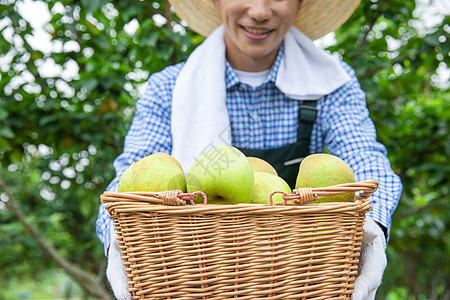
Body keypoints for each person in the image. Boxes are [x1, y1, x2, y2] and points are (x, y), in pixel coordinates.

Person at [96, 0, 403, 299]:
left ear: (299, 4)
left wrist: (371, 229)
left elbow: (365, 158)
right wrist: (119, 242)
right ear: (215, 2)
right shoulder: (169, 88)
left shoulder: (330, 81)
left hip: (297, 273)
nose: (258, 11)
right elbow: (132, 173)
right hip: (200, 273)